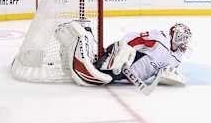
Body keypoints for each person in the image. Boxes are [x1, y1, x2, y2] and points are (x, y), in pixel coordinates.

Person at [55, 21, 192, 89]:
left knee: (107, 77)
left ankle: (87, 46)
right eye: (183, 37)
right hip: (123, 62)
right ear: (175, 35)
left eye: (186, 38)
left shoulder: (177, 57)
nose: (185, 41)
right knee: (100, 75)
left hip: (129, 76)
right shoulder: (160, 39)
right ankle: (83, 37)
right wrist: (122, 50)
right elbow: (136, 38)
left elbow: (163, 74)